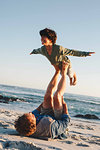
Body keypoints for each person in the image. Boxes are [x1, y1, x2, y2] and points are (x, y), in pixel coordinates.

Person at [15, 62, 70, 139]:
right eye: (30, 115)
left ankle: (57, 71)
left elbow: (37, 110)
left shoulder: (27, 124)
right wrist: (65, 108)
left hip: (45, 118)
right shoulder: (50, 127)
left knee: (48, 95)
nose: (30, 113)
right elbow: (65, 123)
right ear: (33, 122)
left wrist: (46, 100)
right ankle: (64, 72)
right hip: (58, 122)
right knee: (57, 97)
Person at [30, 28, 95, 85]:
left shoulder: (59, 48)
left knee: (70, 74)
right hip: (58, 65)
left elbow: (72, 52)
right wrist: (33, 52)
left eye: (44, 37)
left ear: (50, 39)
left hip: (66, 63)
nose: (41, 38)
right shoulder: (43, 49)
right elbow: (37, 50)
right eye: (41, 37)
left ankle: (75, 77)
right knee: (63, 75)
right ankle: (72, 77)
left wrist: (85, 54)